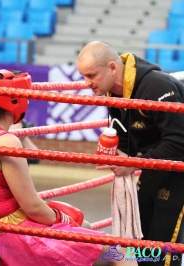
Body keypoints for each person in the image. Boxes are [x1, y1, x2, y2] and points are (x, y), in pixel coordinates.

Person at [0, 71, 136, 266]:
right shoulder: (6, 141)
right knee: (121, 253)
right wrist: (62, 218)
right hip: (14, 235)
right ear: (16, 100)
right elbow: (32, 207)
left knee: (84, 225)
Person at [77, 41, 184, 266]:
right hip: (153, 167)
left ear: (113, 67)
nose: (87, 83)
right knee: (142, 245)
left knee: (164, 250)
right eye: (84, 76)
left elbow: (180, 142)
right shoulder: (115, 93)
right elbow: (124, 136)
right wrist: (117, 156)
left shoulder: (155, 87)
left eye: (92, 75)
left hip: (178, 171)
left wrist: (133, 163)